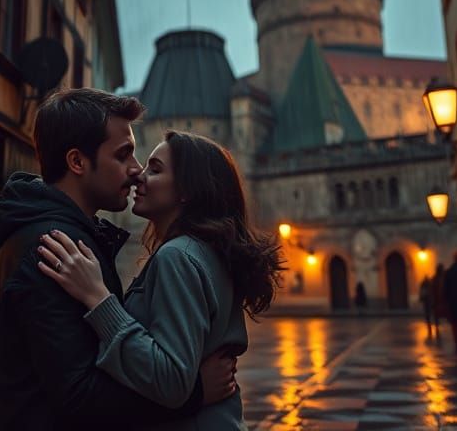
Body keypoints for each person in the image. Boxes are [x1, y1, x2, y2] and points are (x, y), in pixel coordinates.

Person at [0, 89, 236, 431]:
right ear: (77, 162)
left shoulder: (79, 238)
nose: (137, 172)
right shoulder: (54, 245)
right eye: (124, 156)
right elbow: (80, 396)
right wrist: (194, 393)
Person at [38, 131, 285, 430]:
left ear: (186, 190)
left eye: (154, 170)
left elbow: (171, 381)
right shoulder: (206, 252)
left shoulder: (178, 257)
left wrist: (99, 299)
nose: (138, 176)